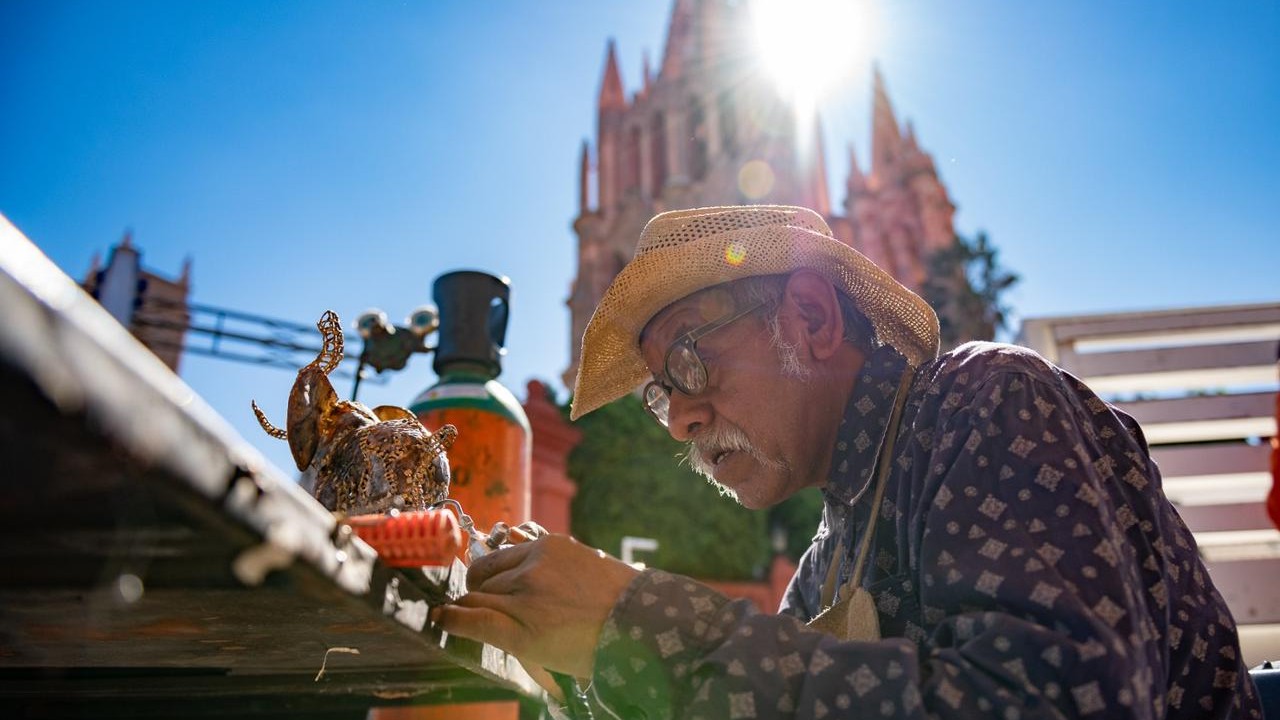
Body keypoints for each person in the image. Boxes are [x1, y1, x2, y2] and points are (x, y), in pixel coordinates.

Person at [434, 205, 1261, 719]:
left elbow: (1062, 705)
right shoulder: (826, 562)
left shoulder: (990, 401)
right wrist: (582, 664)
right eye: (659, 397)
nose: (680, 417)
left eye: (689, 359)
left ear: (811, 317)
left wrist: (636, 616)